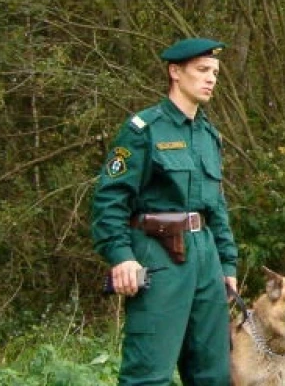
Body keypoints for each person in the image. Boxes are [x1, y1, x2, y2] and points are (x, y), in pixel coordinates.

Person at [91, 37, 239, 385]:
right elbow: (110, 199)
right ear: (175, 72)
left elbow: (216, 206)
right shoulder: (144, 129)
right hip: (159, 255)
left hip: (206, 258)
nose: (211, 79)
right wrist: (121, 256)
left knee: (213, 373)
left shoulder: (209, 136)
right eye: (202, 70)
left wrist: (227, 264)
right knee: (149, 373)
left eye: (215, 72)